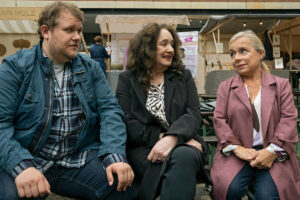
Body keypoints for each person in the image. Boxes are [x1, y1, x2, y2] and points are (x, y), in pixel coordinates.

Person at [0, 2, 134, 200]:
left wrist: (114, 155)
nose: (78, 37)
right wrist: (20, 166)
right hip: (30, 157)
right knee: (12, 195)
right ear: (46, 31)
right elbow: (1, 123)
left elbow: (110, 110)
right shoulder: (16, 67)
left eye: (79, 30)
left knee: (120, 184)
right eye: (69, 30)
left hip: (77, 158)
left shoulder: (91, 68)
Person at [116, 23, 208, 200]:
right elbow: (126, 120)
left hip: (183, 141)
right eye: (163, 44)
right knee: (179, 162)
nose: (170, 49)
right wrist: (160, 138)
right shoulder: (127, 79)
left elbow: (193, 114)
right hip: (144, 148)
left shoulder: (183, 76)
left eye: (172, 44)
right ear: (147, 48)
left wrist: (173, 138)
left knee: (184, 156)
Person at [211, 30, 300, 200]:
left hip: (274, 153)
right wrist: (238, 149)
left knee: (268, 195)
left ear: (260, 53)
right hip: (237, 153)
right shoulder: (226, 87)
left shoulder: (280, 85)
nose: (236, 57)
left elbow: (288, 119)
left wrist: (272, 151)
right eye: (232, 53)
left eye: (243, 51)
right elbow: (219, 120)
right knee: (230, 189)